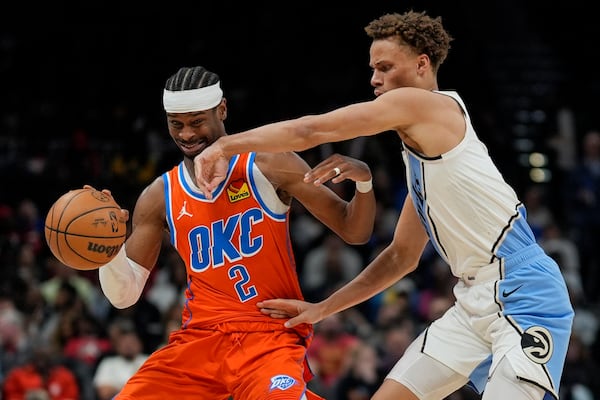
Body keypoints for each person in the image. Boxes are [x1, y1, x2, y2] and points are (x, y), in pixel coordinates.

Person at [193, 10, 574, 400]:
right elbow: (400, 257)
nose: (375, 79)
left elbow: (313, 129)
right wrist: (322, 308)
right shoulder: (424, 160)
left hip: (524, 291)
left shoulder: (429, 105)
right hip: (473, 301)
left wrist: (226, 144)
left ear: (422, 65)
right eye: (373, 68)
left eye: (386, 67)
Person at [89, 65, 376, 399]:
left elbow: (354, 232)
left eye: (197, 122)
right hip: (200, 340)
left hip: (268, 335)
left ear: (222, 109)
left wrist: (365, 182)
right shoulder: (159, 195)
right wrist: (107, 251)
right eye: (176, 124)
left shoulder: (267, 164)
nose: (186, 134)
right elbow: (123, 296)